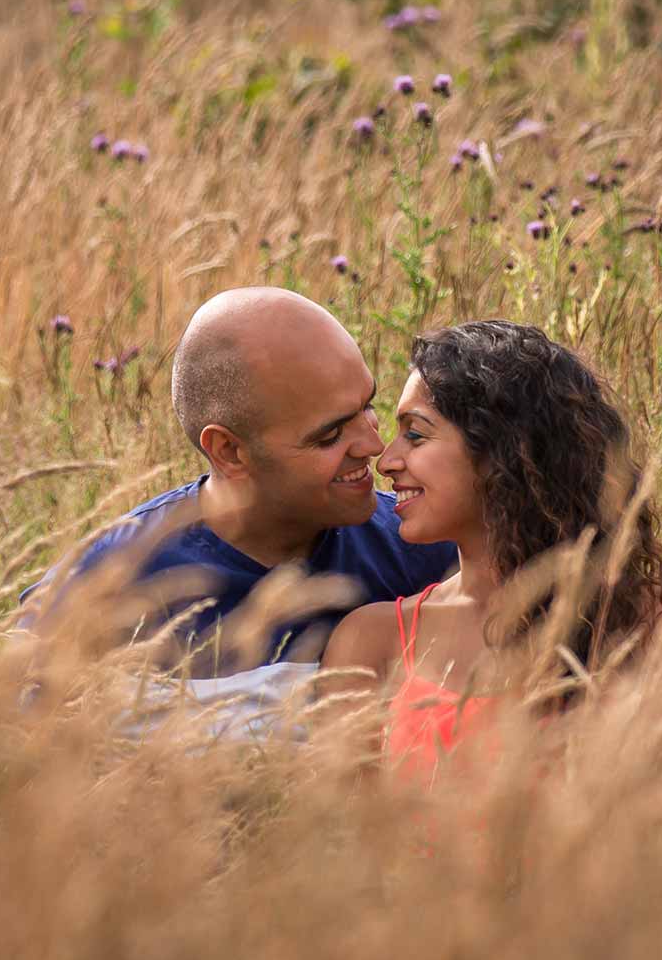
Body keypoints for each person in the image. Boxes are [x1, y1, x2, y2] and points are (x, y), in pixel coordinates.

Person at [24, 288, 457, 694]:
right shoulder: (97, 594)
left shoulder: (429, 552)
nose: (374, 446)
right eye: (329, 436)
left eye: (367, 406)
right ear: (229, 451)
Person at [320, 319, 662, 772]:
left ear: (501, 451)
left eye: (416, 434)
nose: (386, 461)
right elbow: (340, 813)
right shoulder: (371, 641)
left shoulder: (632, 618)